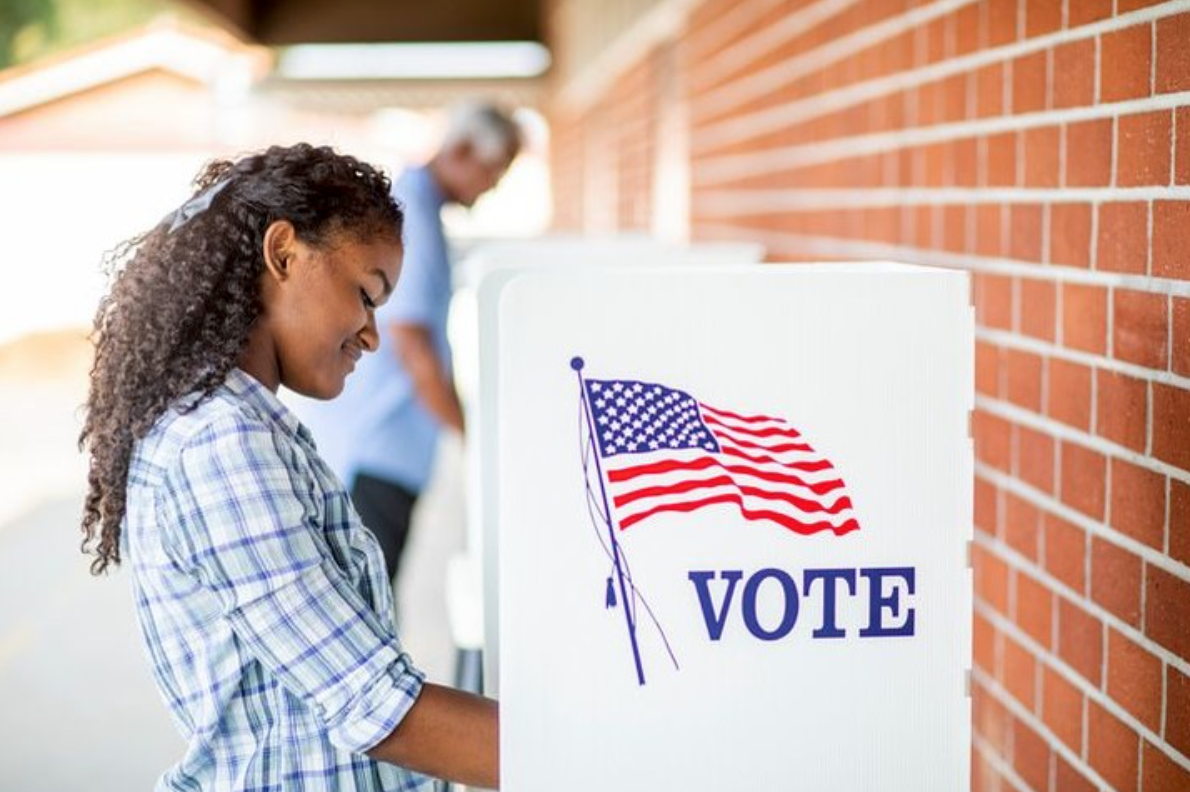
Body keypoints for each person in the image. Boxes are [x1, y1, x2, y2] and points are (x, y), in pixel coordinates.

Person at [78, 144, 498, 791]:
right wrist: (589, 755)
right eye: (366, 294)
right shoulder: (220, 443)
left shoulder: (247, 429)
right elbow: (377, 708)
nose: (371, 335)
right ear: (282, 254)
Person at [296, 102, 521, 594]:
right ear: (461, 150)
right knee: (363, 613)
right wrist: (475, 439)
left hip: (390, 452)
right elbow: (413, 346)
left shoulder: (425, 210)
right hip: (374, 451)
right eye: (495, 169)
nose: (495, 186)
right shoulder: (409, 214)